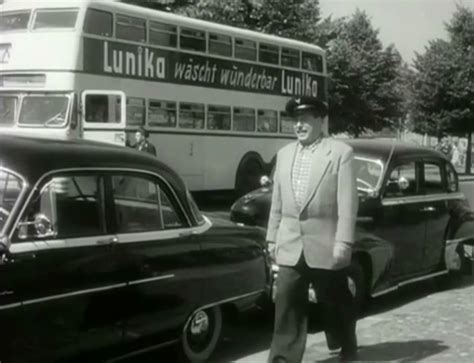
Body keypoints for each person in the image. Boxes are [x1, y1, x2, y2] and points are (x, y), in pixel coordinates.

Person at [267, 96, 359, 363]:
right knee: (286, 303)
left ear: (321, 120)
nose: (299, 125)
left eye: (305, 119)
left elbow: (347, 204)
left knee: (335, 302)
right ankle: (283, 357)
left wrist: (343, 243)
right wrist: (272, 238)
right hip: (290, 244)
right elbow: (277, 203)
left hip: (326, 244)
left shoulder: (340, 153)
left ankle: (345, 347)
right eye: (296, 120)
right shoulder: (284, 155)